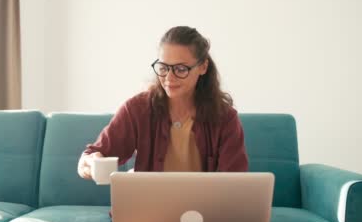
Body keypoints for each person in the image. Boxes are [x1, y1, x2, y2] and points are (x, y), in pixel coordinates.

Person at [77, 26, 248, 180]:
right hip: (149, 209)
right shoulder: (137, 109)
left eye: (181, 69)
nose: (169, 78)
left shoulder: (225, 117)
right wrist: (88, 163)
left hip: (203, 212)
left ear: (203, 67)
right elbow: (94, 154)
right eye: (164, 68)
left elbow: (234, 183)